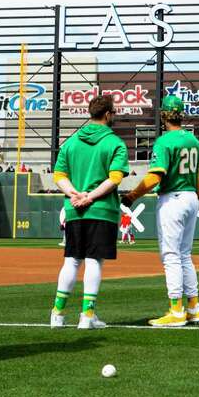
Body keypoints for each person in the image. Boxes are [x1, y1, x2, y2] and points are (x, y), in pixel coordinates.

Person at [122, 95, 199, 327]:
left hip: (174, 198)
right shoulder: (193, 141)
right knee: (185, 254)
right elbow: (196, 172)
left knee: (171, 256)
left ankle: (176, 311)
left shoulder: (164, 142)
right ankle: (194, 308)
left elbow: (154, 177)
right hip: (190, 196)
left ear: (163, 115)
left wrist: (131, 196)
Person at [49, 94, 130, 330]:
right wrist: (90, 197)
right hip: (101, 210)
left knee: (72, 260)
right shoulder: (114, 143)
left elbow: (59, 176)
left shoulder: (72, 142)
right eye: (113, 112)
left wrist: (75, 194)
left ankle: (57, 314)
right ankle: (87, 316)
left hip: (74, 210)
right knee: (94, 261)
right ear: (107, 114)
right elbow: (115, 178)